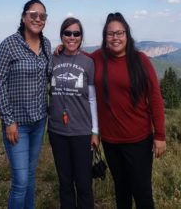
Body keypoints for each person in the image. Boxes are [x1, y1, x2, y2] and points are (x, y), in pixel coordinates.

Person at [90, 12, 166, 209]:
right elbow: (78, 59)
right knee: (121, 190)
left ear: (127, 34)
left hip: (138, 140)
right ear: (104, 37)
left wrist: (160, 135)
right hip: (110, 141)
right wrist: (65, 46)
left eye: (119, 33)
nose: (115, 38)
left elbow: (155, 98)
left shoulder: (140, 60)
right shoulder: (98, 58)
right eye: (110, 34)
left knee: (142, 193)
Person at [0, 0, 52, 209]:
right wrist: (8, 121)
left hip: (39, 122)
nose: (38, 18)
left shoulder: (47, 45)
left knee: (30, 175)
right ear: (24, 17)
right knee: (20, 182)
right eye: (33, 14)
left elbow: (50, 74)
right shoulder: (9, 44)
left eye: (42, 15)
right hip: (17, 126)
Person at [48, 17, 99, 209]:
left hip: (81, 132)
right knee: (65, 182)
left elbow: (93, 99)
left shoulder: (88, 62)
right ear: (61, 36)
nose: (72, 37)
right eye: (67, 33)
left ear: (81, 37)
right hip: (57, 131)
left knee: (84, 183)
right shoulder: (52, 58)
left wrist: (95, 131)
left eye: (76, 34)